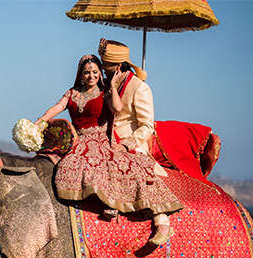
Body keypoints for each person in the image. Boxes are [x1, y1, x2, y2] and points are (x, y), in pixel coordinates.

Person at [35, 54, 182, 245]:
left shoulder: (105, 91)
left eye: (96, 72)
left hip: (102, 141)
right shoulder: (72, 93)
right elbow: (57, 107)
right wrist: (40, 121)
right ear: (80, 74)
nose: (92, 76)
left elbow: (117, 108)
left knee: (121, 166)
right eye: (87, 73)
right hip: (78, 141)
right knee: (67, 165)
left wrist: (111, 86)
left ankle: (157, 218)